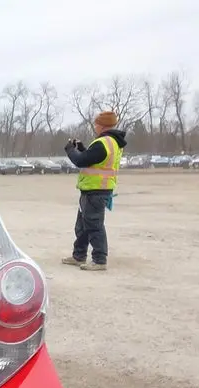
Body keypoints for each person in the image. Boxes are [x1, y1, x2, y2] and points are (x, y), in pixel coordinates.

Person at [61, 111, 127, 271]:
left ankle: (99, 259)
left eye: (96, 124)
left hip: (96, 190)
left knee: (94, 225)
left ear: (102, 125)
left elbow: (80, 161)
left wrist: (70, 150)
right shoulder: (111, 142)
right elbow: (93, 160)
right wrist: (83, 148)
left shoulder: (103, 142)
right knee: (83, 226)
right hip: (93, 190)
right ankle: (79, 255)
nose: (94, 127)